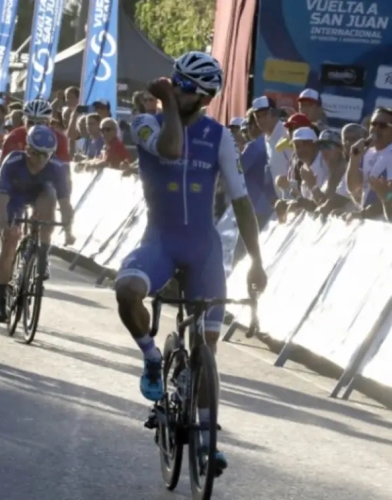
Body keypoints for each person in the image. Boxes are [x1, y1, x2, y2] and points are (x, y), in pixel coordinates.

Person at [115, 51, 268, 473]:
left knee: (207, 347)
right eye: (174, 81)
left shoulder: (219, 137)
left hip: (203, 247)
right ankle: (150, 355)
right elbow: (170, 147)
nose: (174, 88)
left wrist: (256, 261)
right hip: (160, 240)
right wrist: (165, 100)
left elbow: (241, 201)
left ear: (202, 98)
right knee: (126, 292)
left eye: (183, 87)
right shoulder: (147, 120)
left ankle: (206, 438)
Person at [0, 125, 73, 323]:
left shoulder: (57, 167)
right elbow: (1, 200)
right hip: (15, 196)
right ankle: (1, 301)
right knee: (9, 245)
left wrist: (69, 230)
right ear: (28, 149)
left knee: (50, 198)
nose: (42, 160)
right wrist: (4, 227)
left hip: (41, 195)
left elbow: (65, 205)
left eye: (47, 155)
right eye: (37, 154)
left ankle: (43, 251)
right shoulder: (12, 162)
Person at [0, 98, 74, 246]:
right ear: (24, 120)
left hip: (44, 184)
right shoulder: (14, 137)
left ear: (48, 122)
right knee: (11, 234)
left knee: (51, 195)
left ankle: (44, 247)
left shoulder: (58, 138)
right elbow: (3, 172)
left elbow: (65, 174)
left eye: (40, 122)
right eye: (31, 122)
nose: (34, 126)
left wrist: (68, 227)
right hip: (19, 183)